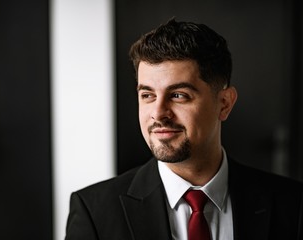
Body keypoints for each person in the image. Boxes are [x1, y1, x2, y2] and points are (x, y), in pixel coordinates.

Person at [65, 18, 303, 240]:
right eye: (147, 95)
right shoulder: (94, 213)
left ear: (224, 103)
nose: (158, 113)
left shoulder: (293, 205)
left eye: (178, 95)